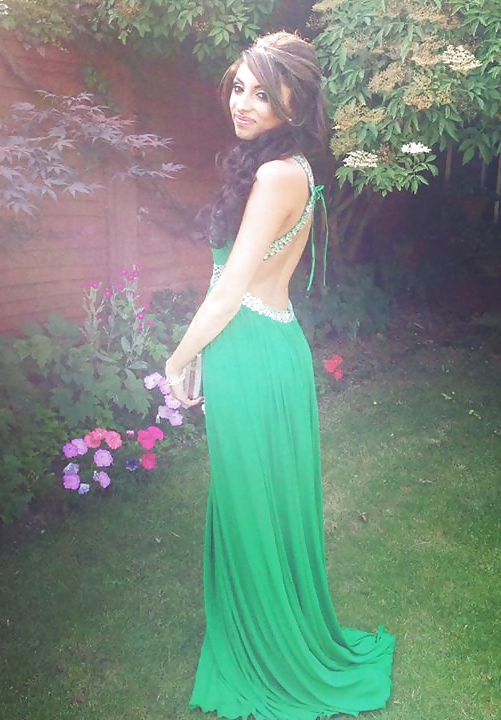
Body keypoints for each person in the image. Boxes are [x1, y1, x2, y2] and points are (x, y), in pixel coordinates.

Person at [165, 31, 395, 720]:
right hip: (263, 346)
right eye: (239, 87)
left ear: (295, 102)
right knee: (255, 502)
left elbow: (230, 288)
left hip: (249, 350)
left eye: (262, 93)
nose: (243, 102)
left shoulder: (276, 175)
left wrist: (178, 356)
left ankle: (270, 653)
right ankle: (260, 630)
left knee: (250, 505)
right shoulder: (288, 166)